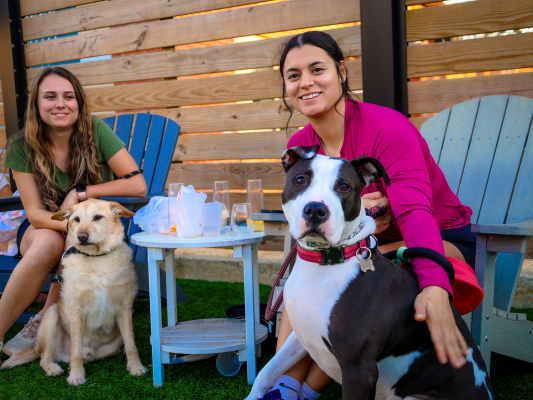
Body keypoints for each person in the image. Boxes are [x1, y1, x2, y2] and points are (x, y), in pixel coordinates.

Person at [264, 31, 476, 400]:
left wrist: (434, 285)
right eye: (294, 75)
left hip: (437, 241)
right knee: (310, 272)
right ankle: (286, 388)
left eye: (318, 69)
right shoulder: (301, 147)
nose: (306, 82)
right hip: (368, 244)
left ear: (342, 71)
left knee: (343, 279)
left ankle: (304, 389)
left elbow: (413, 210)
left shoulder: (387, 128)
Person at [0, 66, 147, 358]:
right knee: (48, 242)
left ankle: (44, 317)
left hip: (90, 226)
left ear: (78, 102)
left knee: (69, 241)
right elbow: (34, 213)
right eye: (50, 96)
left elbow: (138, 184)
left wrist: (82, 194)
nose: (60, 104)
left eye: (68, 96)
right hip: (40, 226)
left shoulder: (95, 130)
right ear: (37, 103)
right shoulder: (21, 145)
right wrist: (72, 231)